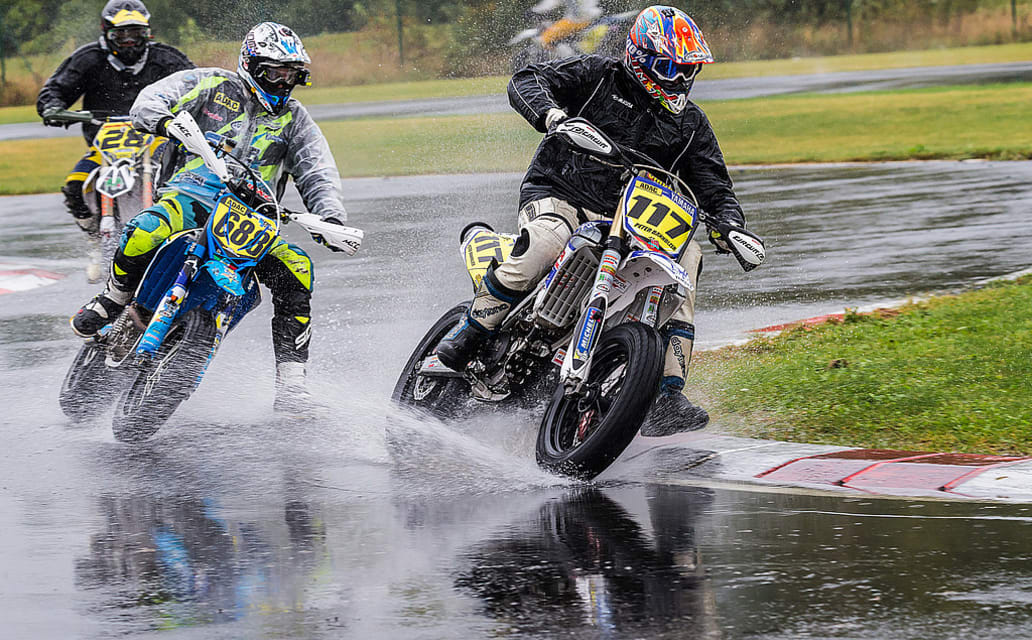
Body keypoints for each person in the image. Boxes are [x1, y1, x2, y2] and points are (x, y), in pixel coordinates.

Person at [437, 5, 760, 434]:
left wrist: (731, 226)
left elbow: (715, 186)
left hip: (631, 222)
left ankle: (666, 393)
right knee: (547, 242)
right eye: (670, 68)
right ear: (641, 58)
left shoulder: (691, 124)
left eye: (688, 69)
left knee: (689, 257)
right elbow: (527, 80)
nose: (681, 79)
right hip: (561, 194)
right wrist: (551, 115)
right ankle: (470, 332)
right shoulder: (598, 75)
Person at [70, 22, 350, 413]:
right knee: (146, 230)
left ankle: (292, 385)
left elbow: (316, 171)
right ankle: (113, 299)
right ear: (251, 65)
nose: (283, 81)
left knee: (299, 268)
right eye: (274, 72)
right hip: (191, 196)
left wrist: (330, 218)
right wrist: (166, 122)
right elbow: (149, 101)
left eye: (291, 73)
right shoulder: (211, 84)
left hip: (251, 220)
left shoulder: (296, 120)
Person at [36, 0, 194, 237]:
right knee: (75, 187)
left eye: (136, 33)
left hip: (158, 141)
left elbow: (195, 85)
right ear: (106, 32)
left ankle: (184, 230)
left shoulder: (166, 58)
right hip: (105, 148)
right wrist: (53, 107)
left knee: (184, 180)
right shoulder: (88, 58)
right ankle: (94, 235)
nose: (129, 40)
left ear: (148, 33)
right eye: (121, 34)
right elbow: (56, 89)